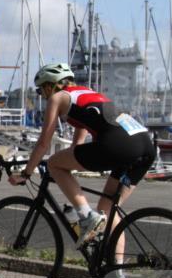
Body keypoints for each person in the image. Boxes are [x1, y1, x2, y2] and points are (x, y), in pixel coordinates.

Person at [8, 63, 156, 249]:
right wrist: (69, 166)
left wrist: (26, 173)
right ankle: (117, 274)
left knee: (54, 164)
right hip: (145, 145)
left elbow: (43, 143)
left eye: (41, 90)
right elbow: (78, 142)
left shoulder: (58, 97)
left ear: (50, 85)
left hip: (118, 145)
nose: (42, 95)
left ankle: (86, 216)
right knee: (108, 210)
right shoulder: (86, 93)